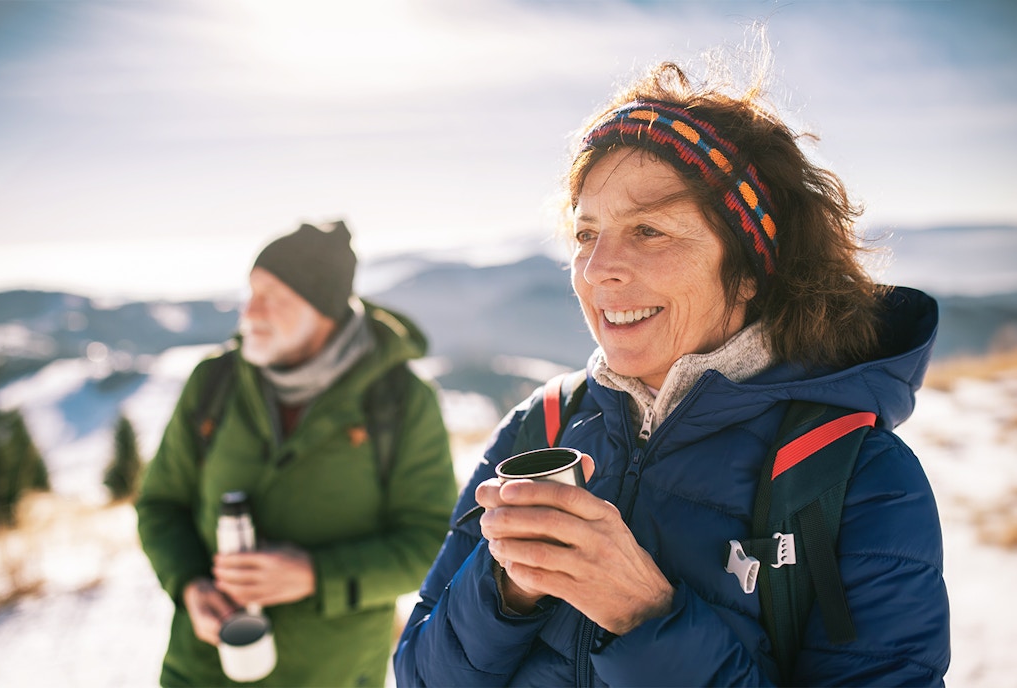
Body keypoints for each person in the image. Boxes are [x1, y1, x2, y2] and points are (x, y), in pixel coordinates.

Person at [394, 59, 950, 686]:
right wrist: (506, 590)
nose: (598, 268)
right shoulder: (540, 428)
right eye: (586, 233)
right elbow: (416, 675)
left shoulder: (856, 478)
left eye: (650, 230)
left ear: (746, 272)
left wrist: (644, 615)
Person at [136, 220, 458, 687]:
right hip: (202, 668)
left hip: (332, 672)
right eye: (251, 292)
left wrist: (315, 575)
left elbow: (431, 542)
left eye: (274, 297)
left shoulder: (401, 401)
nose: (250, 312)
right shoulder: (214, 382)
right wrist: (189, 585)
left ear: (323, 309)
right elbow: (160, 506)